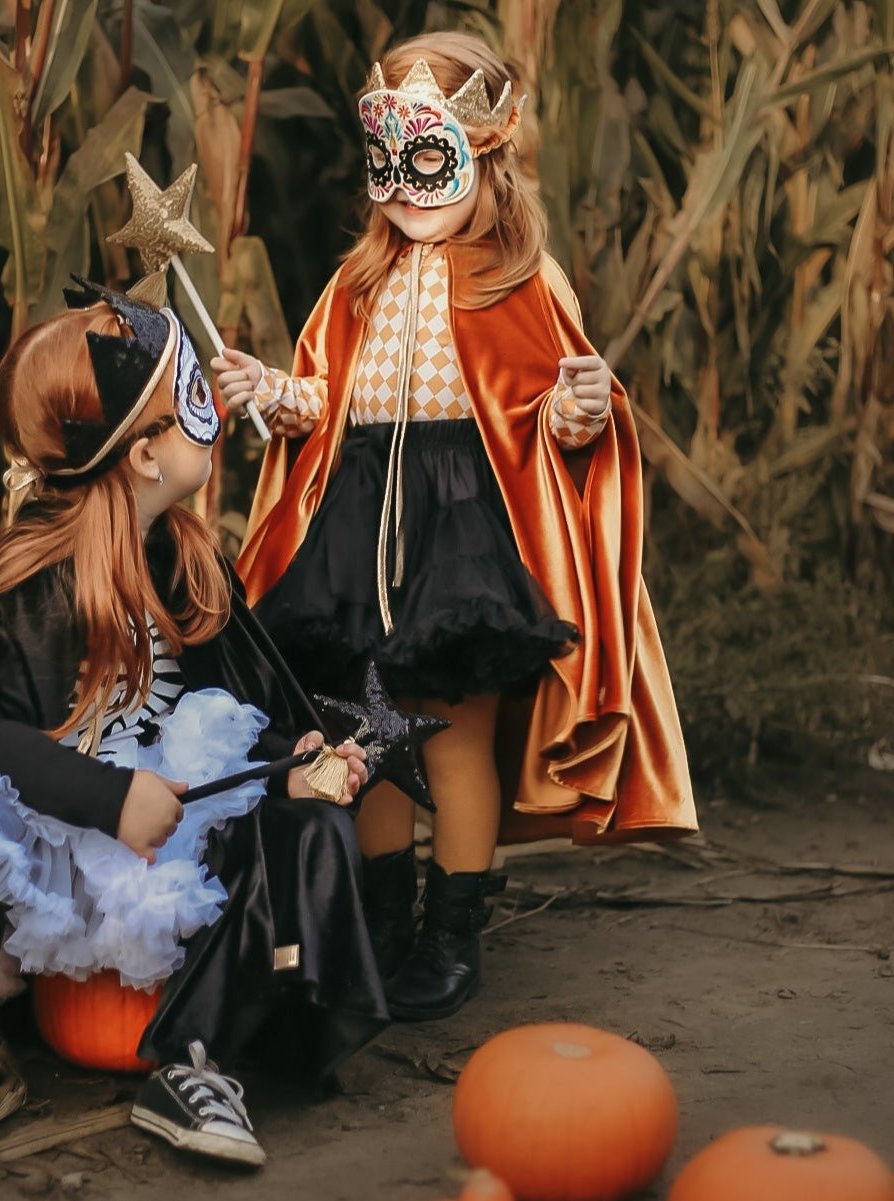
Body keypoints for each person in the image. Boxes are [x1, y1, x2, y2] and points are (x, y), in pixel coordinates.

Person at [0, 283, 387, 1167]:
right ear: (143, 456)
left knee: (308, 826)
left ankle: (196, 1054)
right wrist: (107, 795)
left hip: (175, 863)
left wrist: (294, 759)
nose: (210, 420)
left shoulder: (193, 564)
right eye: (189, 404)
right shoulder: (28, 578)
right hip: (51, 862)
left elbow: (240, 710)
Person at [212, 31, 697, 1023]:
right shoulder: (356, 283)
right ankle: (383, 914)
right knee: (365, 730)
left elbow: (545, 423)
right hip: (354, 526)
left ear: (485, 148)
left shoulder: (518, 282)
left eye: (426, 158)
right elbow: (326, 399)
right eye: (384, 163)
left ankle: (451, 925)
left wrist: (578, 409)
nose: (402, 185)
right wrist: (273, 392)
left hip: (462, 534)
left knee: (447, 734)